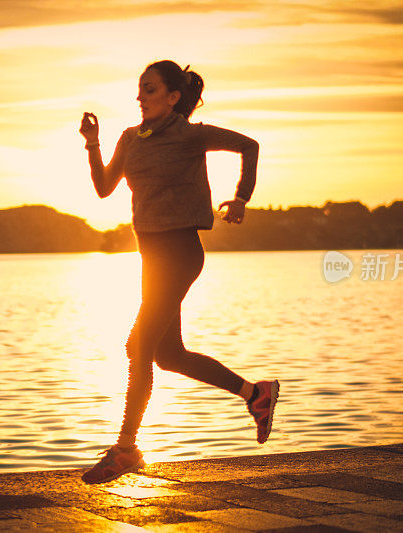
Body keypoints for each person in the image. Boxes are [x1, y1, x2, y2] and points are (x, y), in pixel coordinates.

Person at [78, 60, 279, 484]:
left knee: (138, 344)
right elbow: (103, 187)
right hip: (151, 259)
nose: (140, 98)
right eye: (139, 90)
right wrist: (93, 145)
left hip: (181, 252)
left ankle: (126, 448)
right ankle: (255, 393)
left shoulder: (192, 135)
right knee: (167, 355)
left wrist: (241, 197)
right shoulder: (130, 139)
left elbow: (250, 146)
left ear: (172, 97)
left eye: (149, 90)